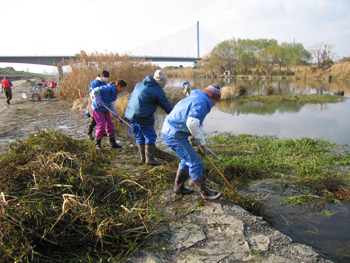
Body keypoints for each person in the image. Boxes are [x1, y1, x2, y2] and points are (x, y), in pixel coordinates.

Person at [161, 83, 223, 200]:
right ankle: (205, 193)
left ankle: (178, 187)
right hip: (174, 134)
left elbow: (197, 125)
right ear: (213, 99)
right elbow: (192, 122)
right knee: (195, 163)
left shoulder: (197, 98)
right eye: (216, 101)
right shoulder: (202, 102)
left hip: (172, 131)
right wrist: (196, 138)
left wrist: (202, 144)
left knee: (186, 160)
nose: (215, 104)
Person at [125, 70, 173, 165]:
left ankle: (143, 158)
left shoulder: (139, 84)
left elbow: (130, 97)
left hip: (130, 114)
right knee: (150, 136)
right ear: (162, 83)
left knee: (139, 136)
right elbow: (167, 107)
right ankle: (150, 159)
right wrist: (177, 117)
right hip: (142, 116)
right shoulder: (158, 90)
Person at [90, 79, 127, 150]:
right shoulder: (106, 88)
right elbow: (94, 91)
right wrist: (98, 100)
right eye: (122, 88)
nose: (122, 90)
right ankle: (97, 143)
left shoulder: (115, 94)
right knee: (101, 126)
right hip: (97, 108)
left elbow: (112, 104)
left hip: (105, 109)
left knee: (110, 124)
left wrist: (114, 112)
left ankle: (113, 143)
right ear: (118, 86)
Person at [87, 70, 110, 140]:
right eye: (105, 77)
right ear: (102, 76)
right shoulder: (94, 83)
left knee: (103, 117)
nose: (106, 78)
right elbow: (92, 93)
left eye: (107, 77)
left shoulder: (103, 82)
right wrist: (97, 101)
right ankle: (89, 133)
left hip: (102, 101)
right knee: (94, 118)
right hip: (93, 101)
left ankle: (102, 132)